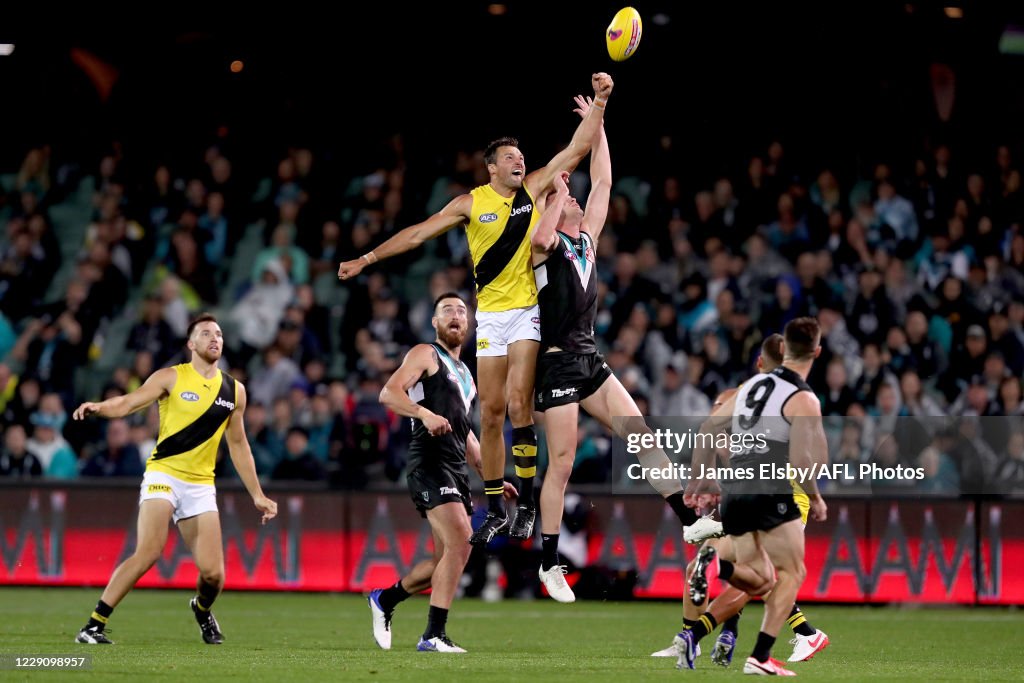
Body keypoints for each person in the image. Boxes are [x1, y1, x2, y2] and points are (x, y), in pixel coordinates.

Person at [339, 73, 614, 545]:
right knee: (488, 413)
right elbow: (419, 232)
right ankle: (493, 505)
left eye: (520, 157)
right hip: (490, 315)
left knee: (519, 404)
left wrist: (602, 104)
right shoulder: (471, 204)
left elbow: (578, 148)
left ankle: (526, 502)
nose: (519, 161)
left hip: (528, 310)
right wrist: (367, 257)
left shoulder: (533, 189)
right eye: (509, 158)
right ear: (491, 168)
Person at [529, 98, 698, 604]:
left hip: (587, 359)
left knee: (640, 434)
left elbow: (603, 178)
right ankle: (549, 562)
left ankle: (690, 522)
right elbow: (539, 232)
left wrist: (596, 120)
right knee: (561, 463)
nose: (579, 201)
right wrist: (555, 196)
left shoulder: (586, 243)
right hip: (555, 362)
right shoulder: (547, 247)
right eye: (570, 203)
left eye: (575, 200)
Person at [72, 314, 278, 645]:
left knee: (214, 576)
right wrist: (100, 407)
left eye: (220, 334)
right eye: (206, 333)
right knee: (150, 550)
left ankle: (201, 608)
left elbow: (239, 445)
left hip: (200, 485)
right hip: (164, 473)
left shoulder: (234, 391)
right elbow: (128, 403)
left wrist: (257, 494)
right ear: (191, 344)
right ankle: (93, 625)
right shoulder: (170, 377)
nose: (215, 338)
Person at [651, 335, 829, 666]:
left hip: (780, 497)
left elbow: (715, 434)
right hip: (757, 493)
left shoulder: (749, 393)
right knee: (741, 571)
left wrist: (703, 482)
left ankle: (700, 637)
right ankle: (792, 634)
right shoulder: (795, 397)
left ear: (761, 364)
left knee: (759, 575)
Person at [365, 292, 515, 652]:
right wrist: (423, 413)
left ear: (469, 324)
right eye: (447, 310)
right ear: (434, 322)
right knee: (463, 541)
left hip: (456, 470)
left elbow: (466, 434)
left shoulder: (466, 373)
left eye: (462, 311)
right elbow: (389, 394)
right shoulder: (425, 353)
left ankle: (385, 600)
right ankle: (433, 635)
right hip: (429, 462)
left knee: (442, 561)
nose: (456, 315)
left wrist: (492, 475)